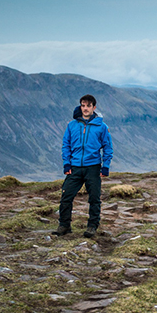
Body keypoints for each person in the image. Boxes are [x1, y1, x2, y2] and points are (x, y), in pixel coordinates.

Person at [54, 94, 113, 238]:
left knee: (94, 198)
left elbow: (107, 147)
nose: (85, 108)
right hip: (74, 167)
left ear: (94, 107)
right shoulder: (72, 125)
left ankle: (92, 226)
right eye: (83, 105)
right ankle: (64, 225)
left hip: (93, 167)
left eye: (88, 106)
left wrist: (105, 166)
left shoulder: (101, 126)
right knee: (66, 196)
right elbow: (66, 145)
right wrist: (66, 163)